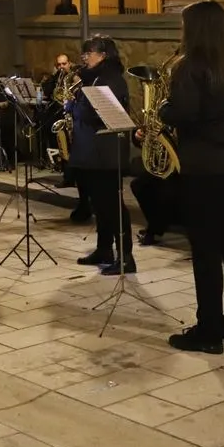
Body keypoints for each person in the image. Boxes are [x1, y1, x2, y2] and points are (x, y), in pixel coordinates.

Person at [158, 0, 224, 354]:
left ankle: (208, 331)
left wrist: (163, 108)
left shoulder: (191, 68)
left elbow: (184, 112)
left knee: (206, 250)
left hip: (205, 171)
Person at [68, 35, 134, 275]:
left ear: (104, 55)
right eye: (84, 53)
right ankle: (104, 249)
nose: (85, 57)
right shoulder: (94, 78)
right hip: (93, 151)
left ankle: (126, 256)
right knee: (100, 204)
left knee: (112, 205)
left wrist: (76, 102)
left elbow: (95, 114)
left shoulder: (111, 80)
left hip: (106, 152)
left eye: (90, 53)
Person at [130, 129, 180, 246]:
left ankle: (156, 229)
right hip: (164, 165)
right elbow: (146, 130)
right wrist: (137, 135)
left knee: (167, 191)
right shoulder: (161, 113)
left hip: (184, 166)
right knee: (138, 185)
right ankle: (156, 224)